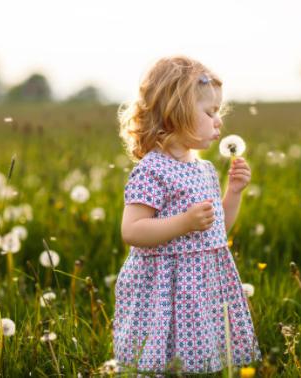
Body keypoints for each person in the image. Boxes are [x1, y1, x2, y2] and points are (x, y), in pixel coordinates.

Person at [113, 55, 261, 375]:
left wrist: (233, 193)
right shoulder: (152, 171)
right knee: (161, 358)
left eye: (218, 112)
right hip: (163, 288)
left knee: (199, 358)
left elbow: (215, 229)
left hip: (200, 283)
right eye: (209, 112)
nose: (218, 121)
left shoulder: (204, 169)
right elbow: (133, 230)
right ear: (175, 114)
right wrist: (183, 223)